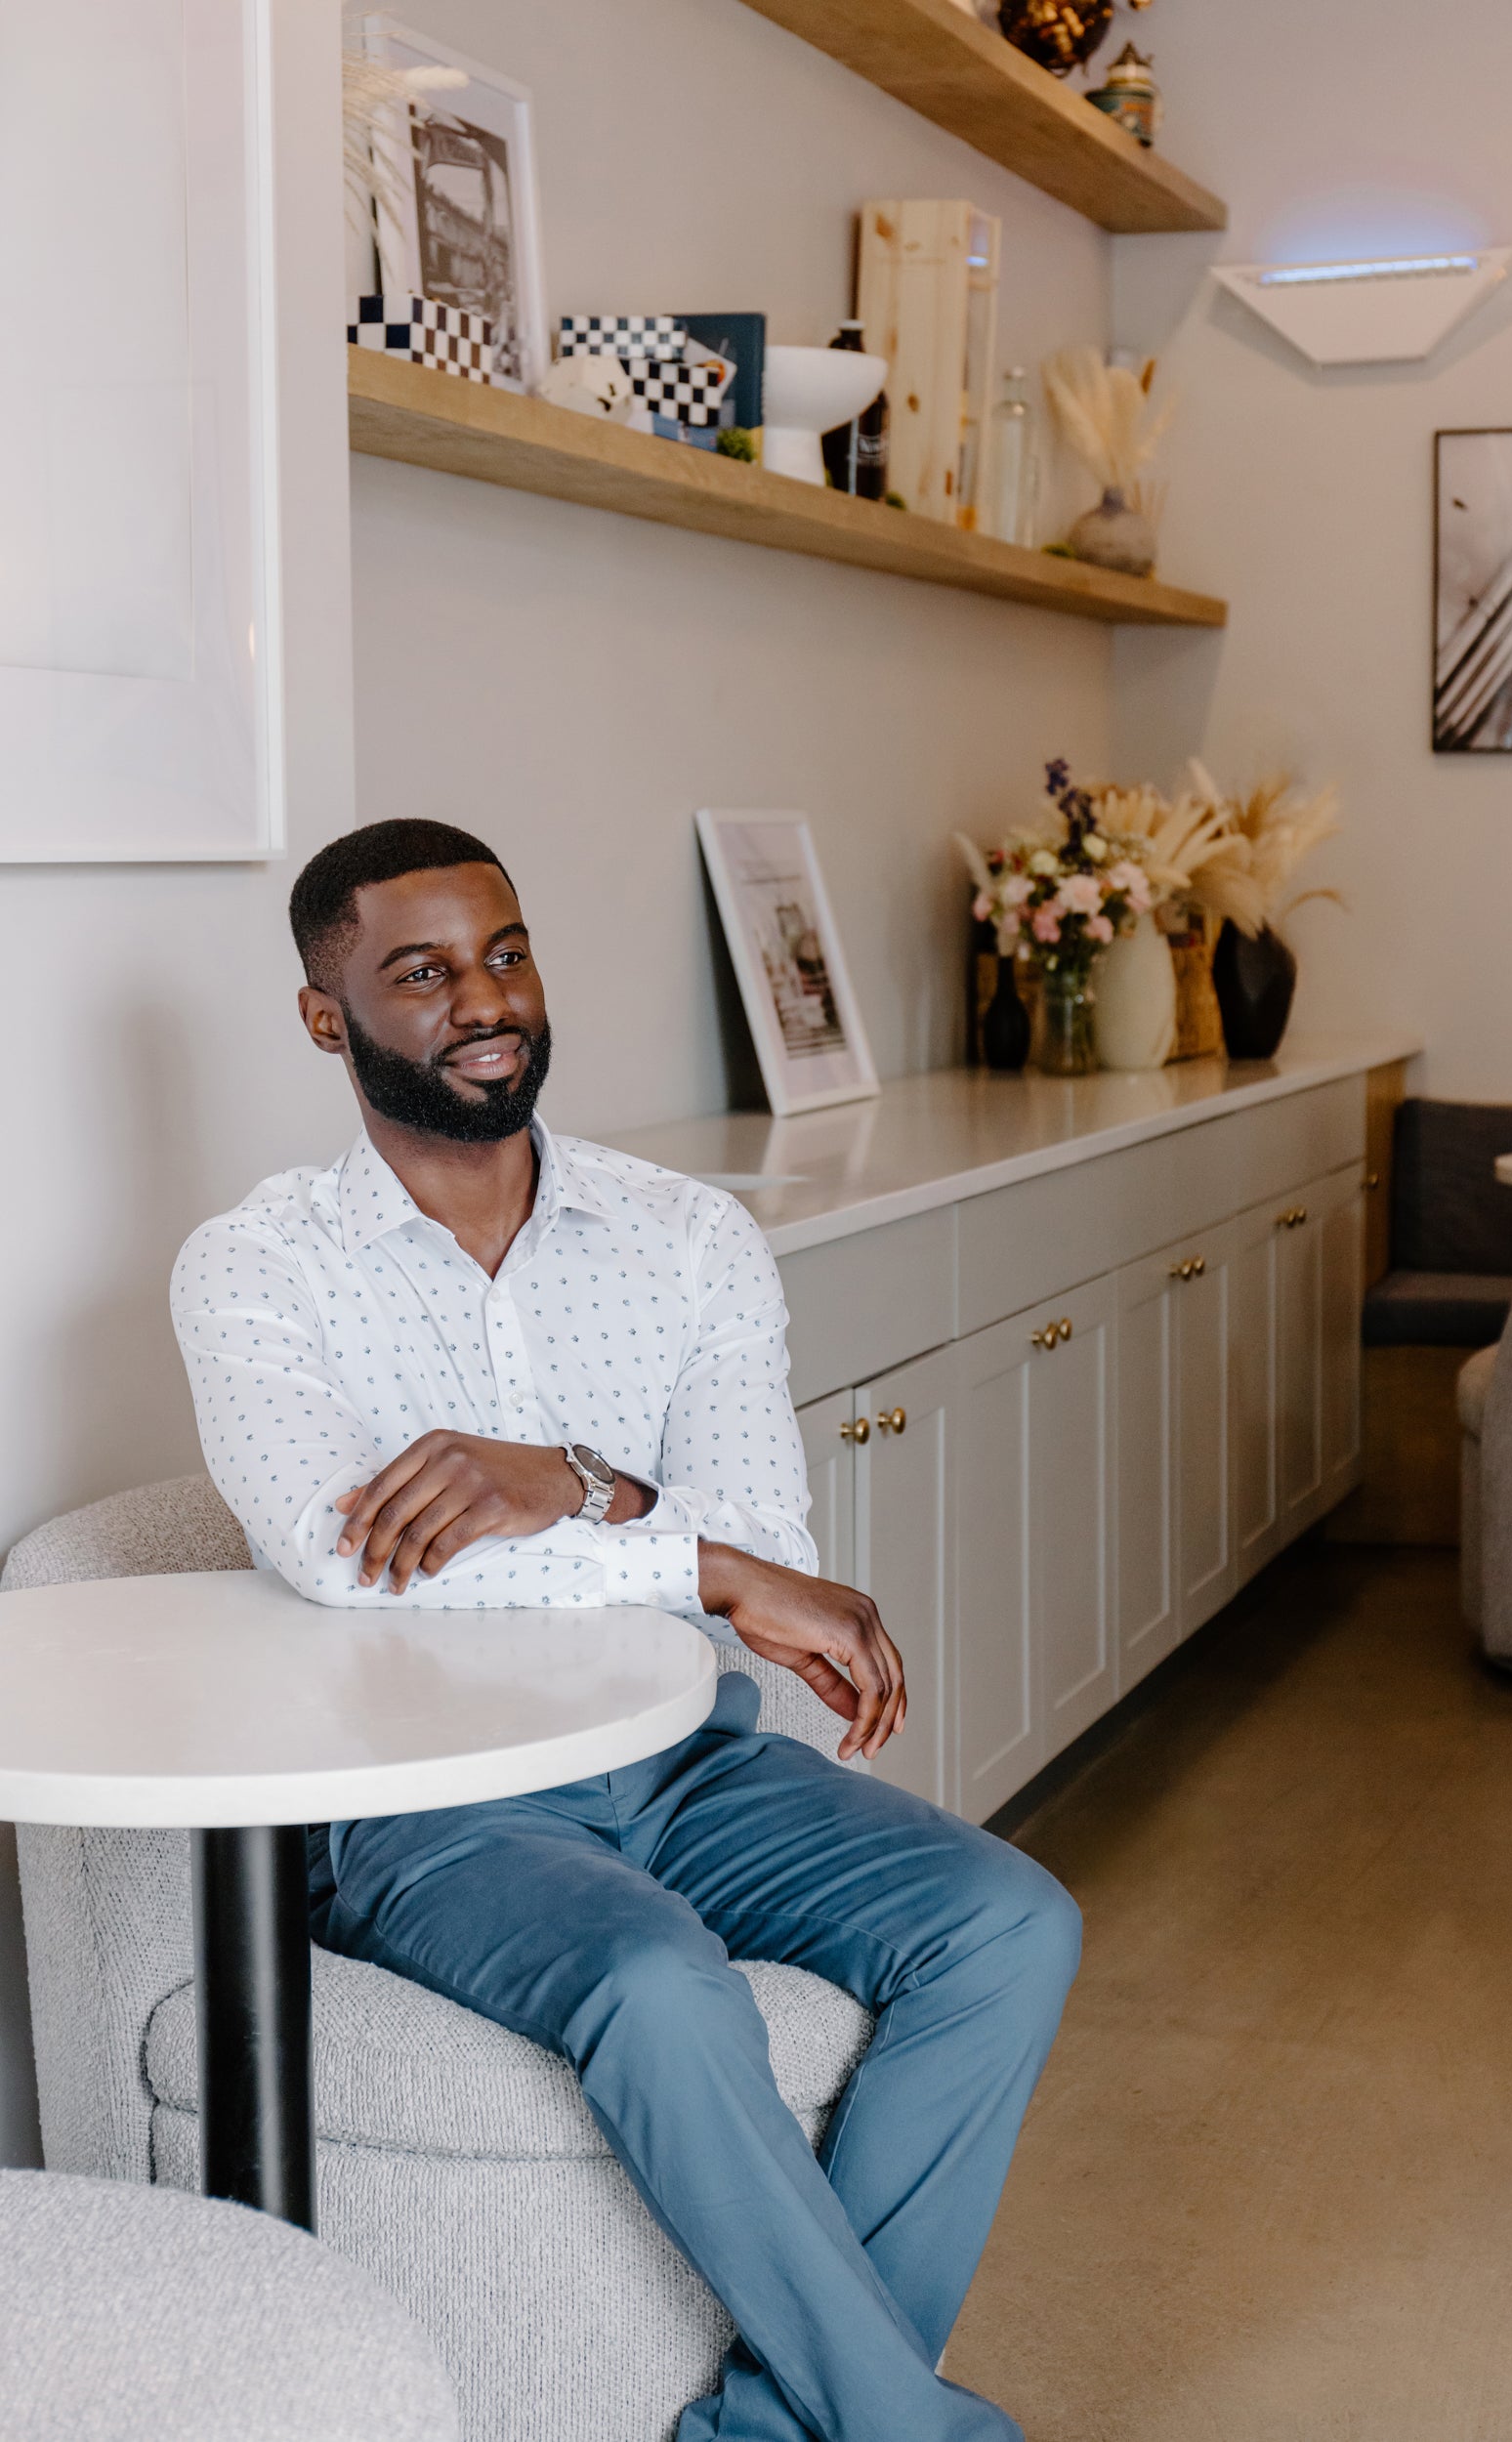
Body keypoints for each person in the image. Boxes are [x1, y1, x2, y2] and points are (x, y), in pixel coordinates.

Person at [172, 819, 1081, 2442]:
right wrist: (693, 1563)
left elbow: (772, 1534)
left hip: (681, 1759)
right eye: (424, 972)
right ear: (328, 1019)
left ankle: (771, 2426)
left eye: (505, 952)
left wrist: (565, 1486)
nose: (485, 1001)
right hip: (426, 1805)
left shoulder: (687, 1238)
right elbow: (342, 1559)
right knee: (661, 1983)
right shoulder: (255, 1268)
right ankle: (908, 2428)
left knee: (1008, 1924)